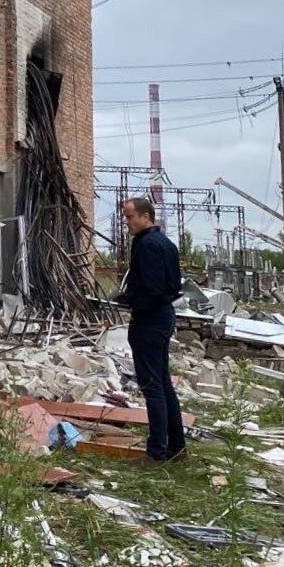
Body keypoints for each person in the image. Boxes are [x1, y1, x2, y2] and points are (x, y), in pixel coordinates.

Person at [118, 197, 186, 464]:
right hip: (163, 315)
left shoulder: (146, 245)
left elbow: (154, 288)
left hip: (151, 319)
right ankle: (176, 446)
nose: (127, 223)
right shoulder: (165, 243)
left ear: (145, 217)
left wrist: (136, 307)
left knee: (153, 387)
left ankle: (156, 451)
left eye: (130, 217)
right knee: (163, 384)